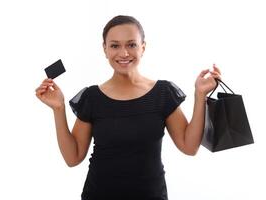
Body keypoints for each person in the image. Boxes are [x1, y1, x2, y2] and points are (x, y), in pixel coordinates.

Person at [35, 15, 221, 200]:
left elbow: (189, 147)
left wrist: (200, 95)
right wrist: (58, 109)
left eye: (131, 45)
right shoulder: (92, 97)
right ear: (105, 49)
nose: (124, 53)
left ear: (143, 47)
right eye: (115, 45)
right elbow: (73, 158)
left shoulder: (163, 93)